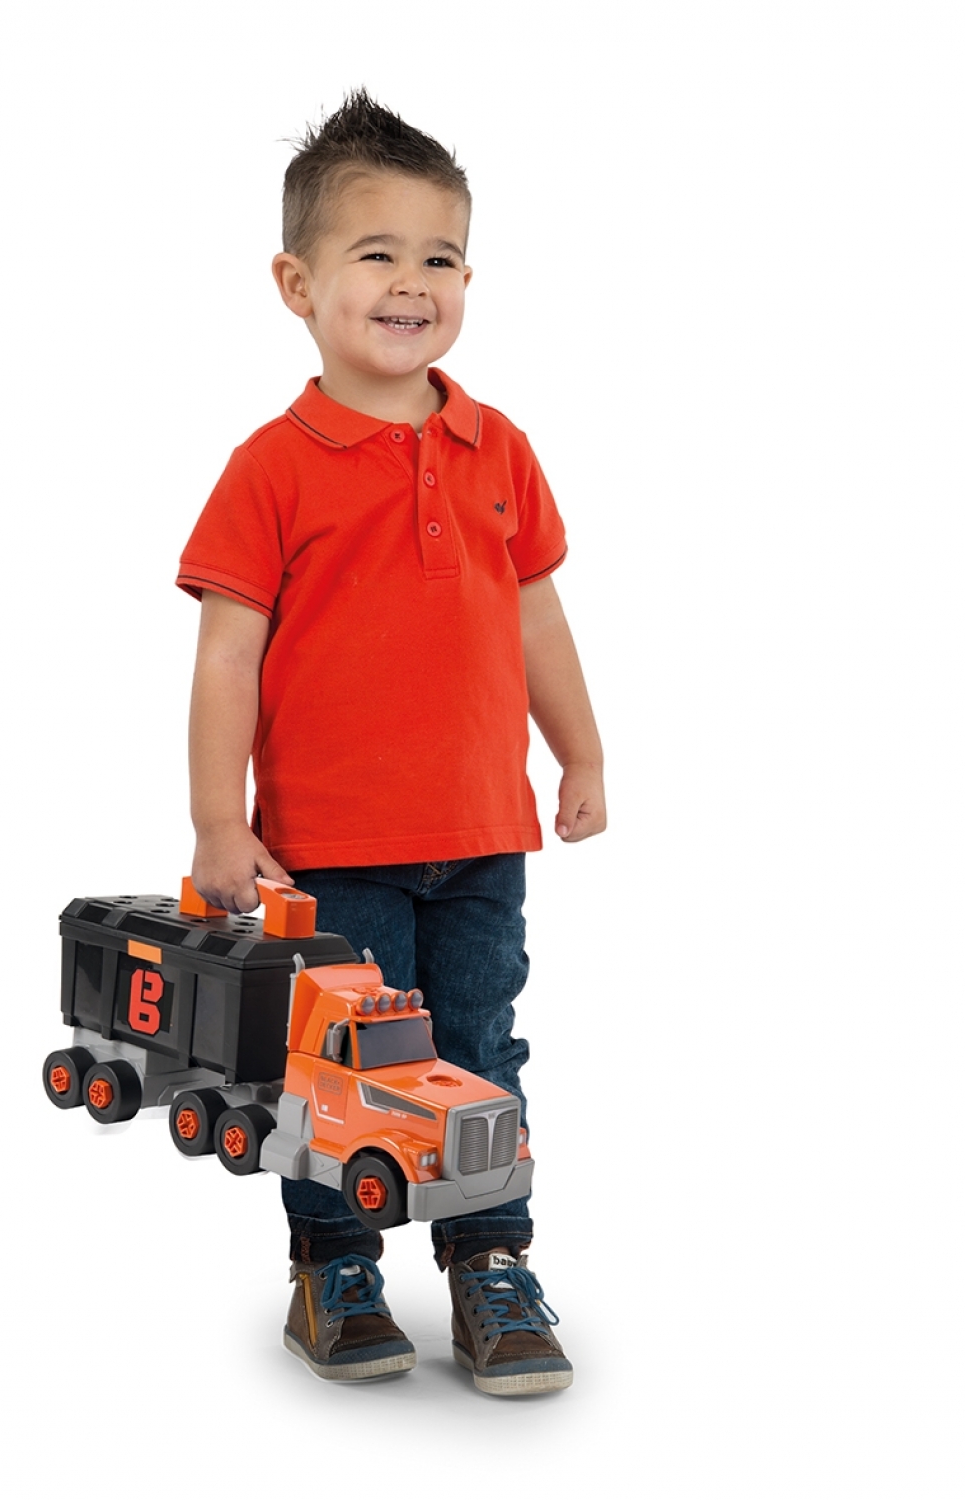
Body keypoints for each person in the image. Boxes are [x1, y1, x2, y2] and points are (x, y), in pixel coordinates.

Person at [177, 90, 605, 1396]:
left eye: (440, 257)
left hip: (481, 836)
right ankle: (335, 1269)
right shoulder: (271, 467)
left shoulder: (497, 449)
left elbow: (536, 615)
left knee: (477, 1055)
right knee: (339, 1073)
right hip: (330, 851)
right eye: (378, 254)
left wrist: (581, 753)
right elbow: (226, 656)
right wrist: (218, 823)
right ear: (298, 285)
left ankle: (490, 1262)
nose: (414, 282)